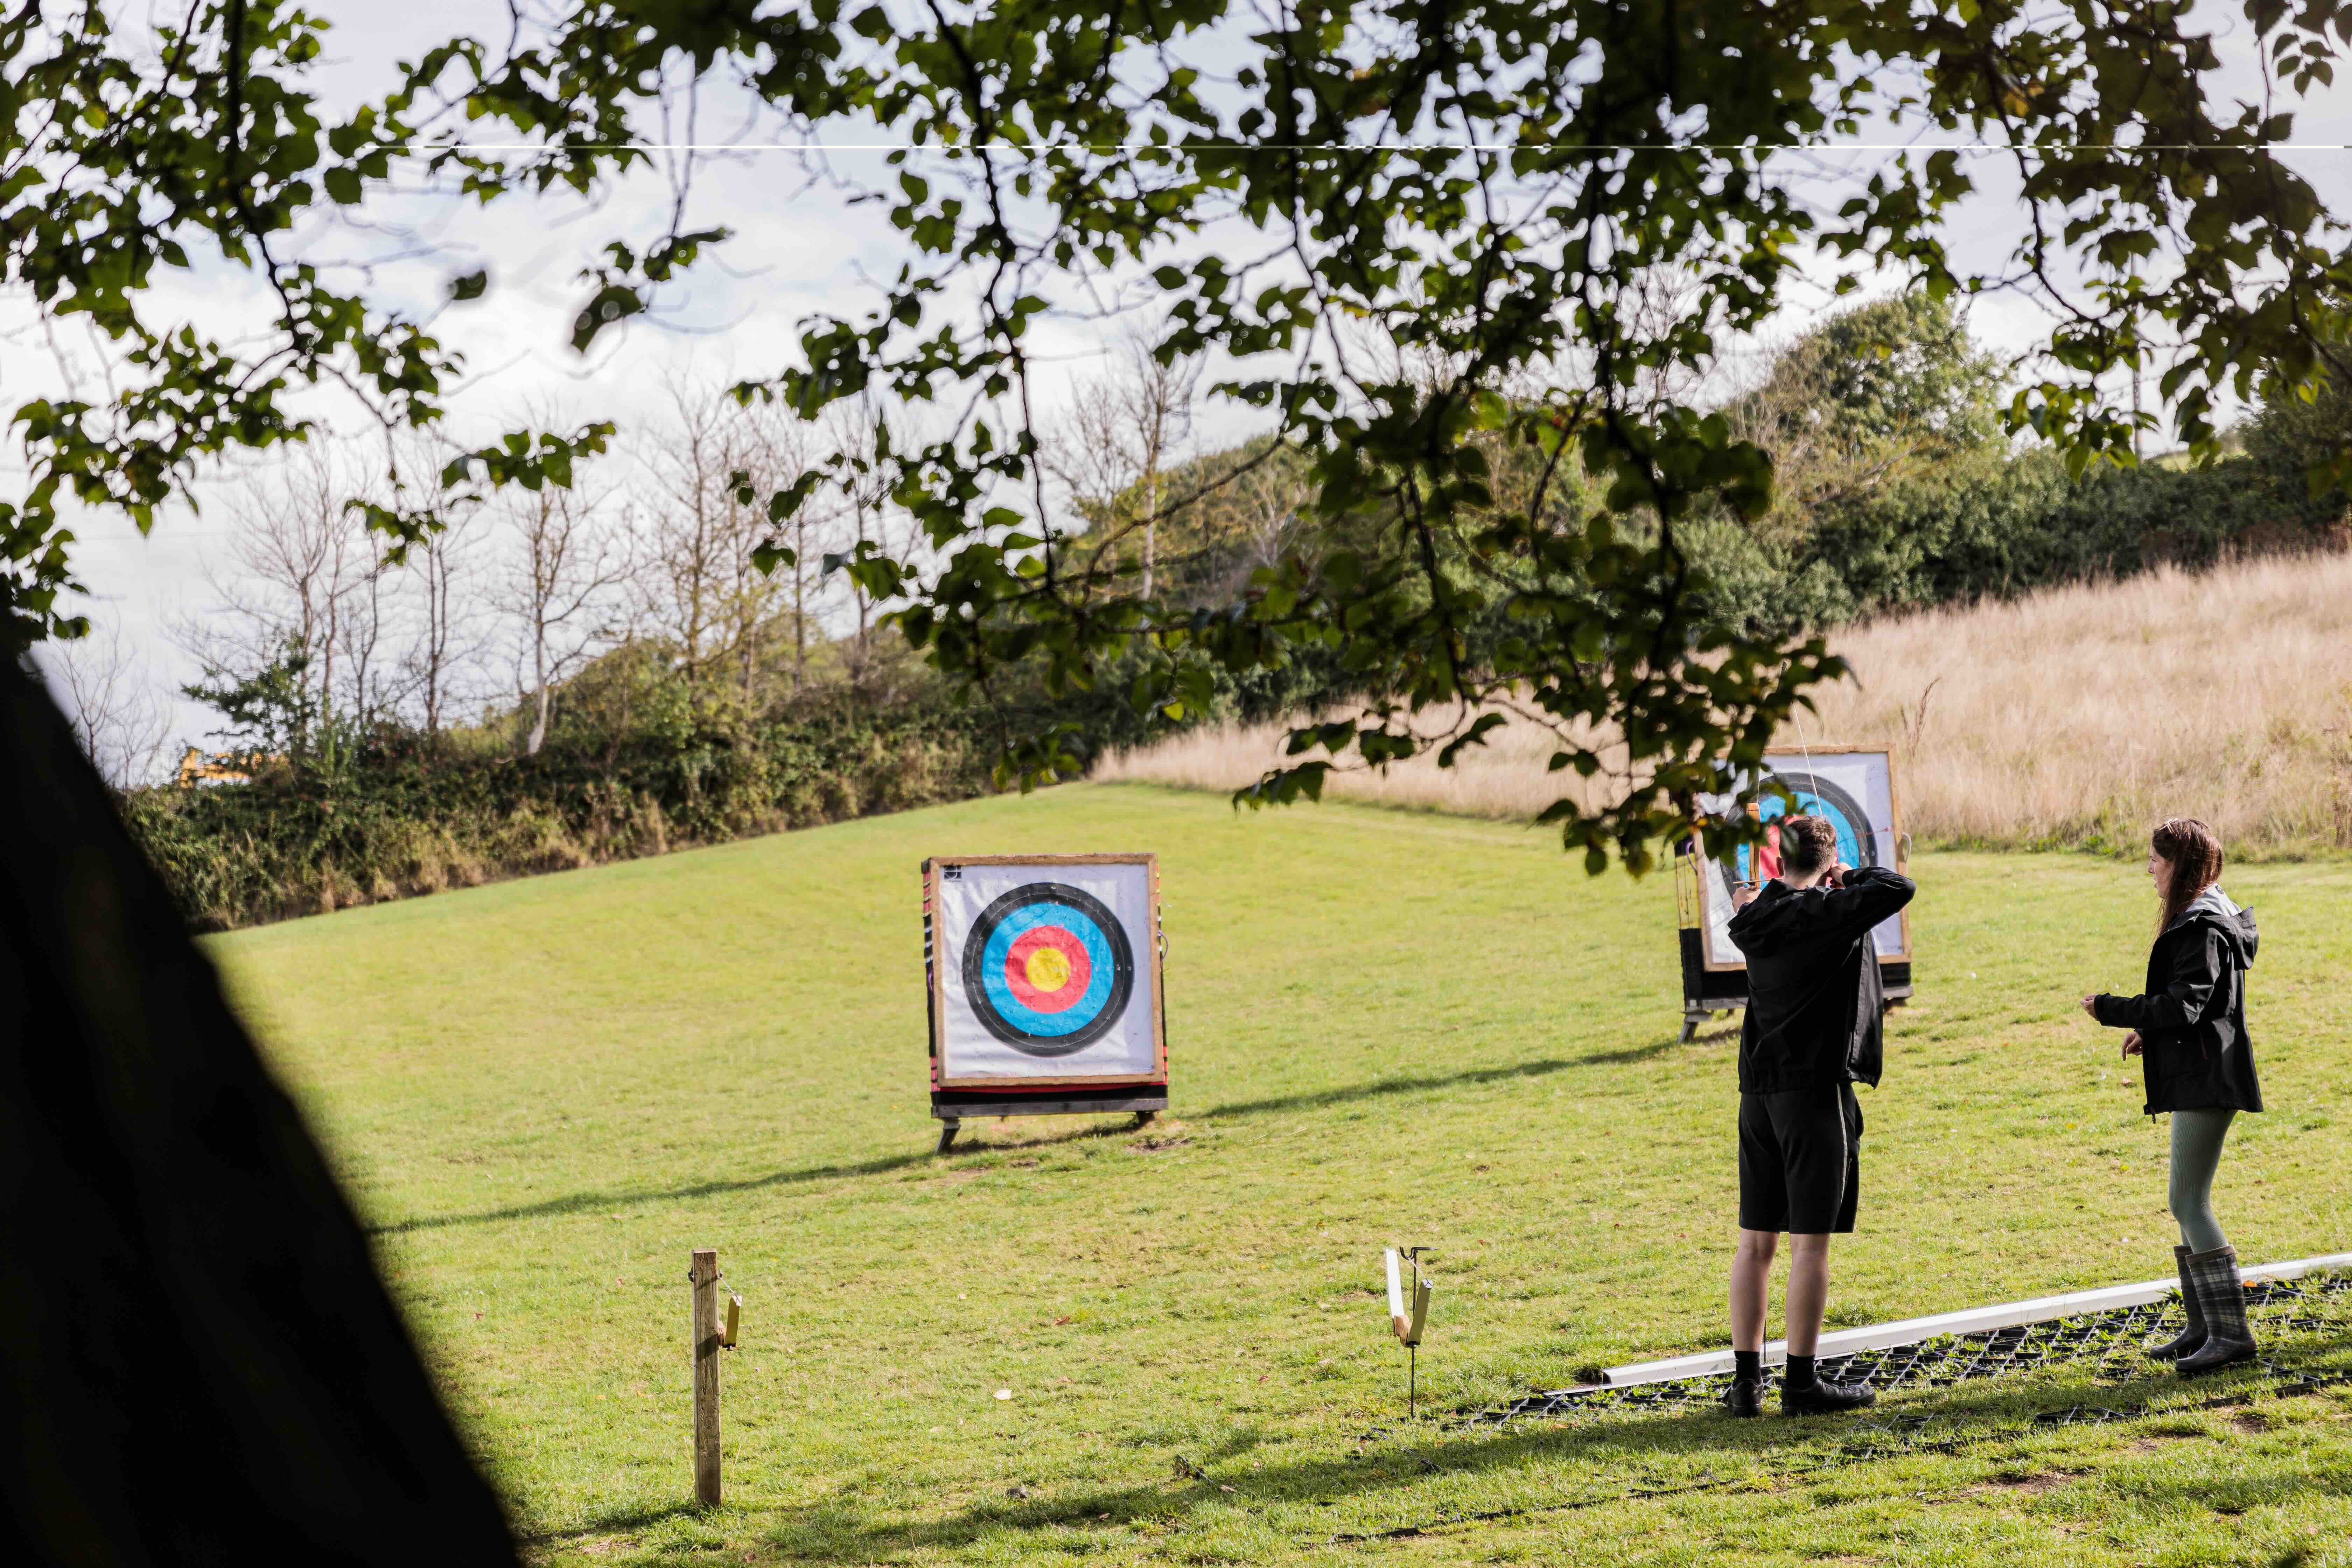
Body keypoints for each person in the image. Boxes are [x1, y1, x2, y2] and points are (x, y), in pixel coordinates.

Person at [1720, 814, 1915, 1418]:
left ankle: (1747, 1385)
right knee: (1810, 1245)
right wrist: (1846, 874)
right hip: (1814, 1094)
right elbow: (1896, 888)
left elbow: (1751, 897)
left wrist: (1759, 888)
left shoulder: (1752, 917)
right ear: (1830, 862)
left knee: (1756, 1242)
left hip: (1759, 1095)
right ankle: (1800, 1384)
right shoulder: (1835, 910)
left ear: (1778, 861)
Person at [2079, 817, 2263, 1376]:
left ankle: (2230, 1336)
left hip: (2208, 1078)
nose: (2150, 869)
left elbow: (2186, 1006)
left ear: (2180, 865)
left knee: (2188, 1202)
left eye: (2157, 860)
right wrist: (2149, 1033)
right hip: (2203, 1071)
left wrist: (2114, 1009)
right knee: (2186, 1201)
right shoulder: (2207, 914)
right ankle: (2204, 1327)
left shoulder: (2203, 926)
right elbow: (2195, 1005)